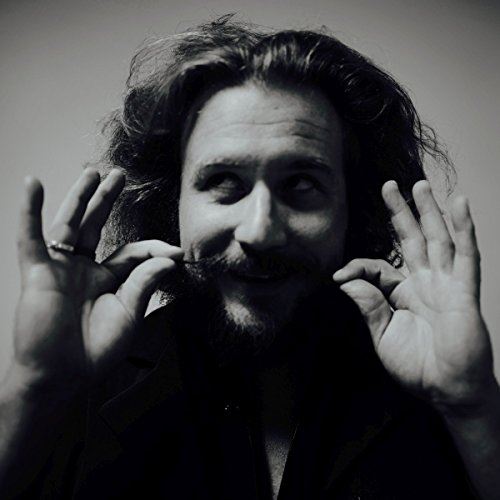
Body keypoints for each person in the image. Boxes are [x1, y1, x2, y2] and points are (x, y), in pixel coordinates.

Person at [1, 15, 499, 499]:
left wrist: (471, 405)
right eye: (224, 182)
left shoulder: (436, 387)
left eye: (301, 184)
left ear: (355, 208)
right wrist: (35, 389)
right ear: (172, 203)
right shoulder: (82, 383)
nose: (260, 231)